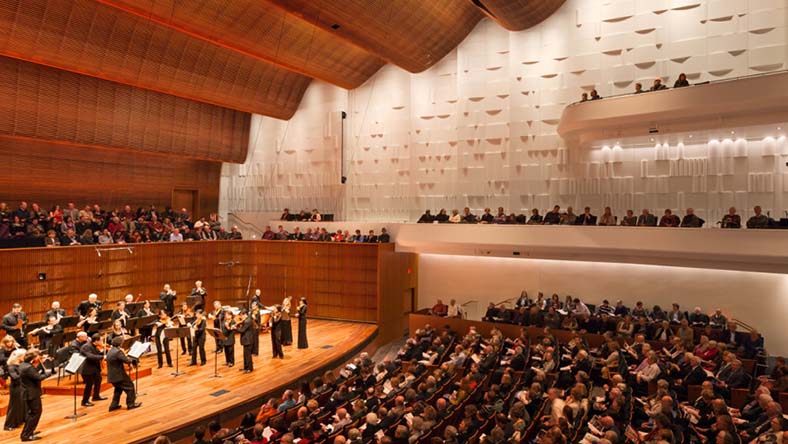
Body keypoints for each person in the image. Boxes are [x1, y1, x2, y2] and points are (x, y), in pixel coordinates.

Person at [19, 349, 49, 442]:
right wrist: (48, 374)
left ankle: (28, 432)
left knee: (31, 413)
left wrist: (38, 364)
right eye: (37, 357)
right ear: (33, 358)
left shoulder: (24, 365)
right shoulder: (28, 367)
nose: (39, 358)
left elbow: (34, 373)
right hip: (31, 393)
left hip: (28, 392)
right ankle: (26, 435)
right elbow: (39, 377)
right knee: (35, 413)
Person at [106, 336, 141, 412]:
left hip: (112, 376)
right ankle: (131, 404)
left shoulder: (111, 350)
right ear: (120, 343)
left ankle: (113, 405)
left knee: (118, 389)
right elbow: (127, 361)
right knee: (130, 387)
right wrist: (133, 357)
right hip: (119, 375)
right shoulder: (118, 352)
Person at [80, 333, 107, 407]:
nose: (102, 342)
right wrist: (102, 357)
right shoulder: (86, 347)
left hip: (94, 368)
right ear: (96, 341)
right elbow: (90, 356)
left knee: (98, 380)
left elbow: (97, 353)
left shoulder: (94, 346)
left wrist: (102, 351)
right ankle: (84, 401)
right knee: (89, 385)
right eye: (101, 340)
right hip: (87, 369)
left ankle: (96, 396)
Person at [4, 349, 26, 431]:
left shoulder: (20, 365)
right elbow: (15, 378)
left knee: (22, 404)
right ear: (19, 357)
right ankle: (8, 425)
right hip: (16, 388)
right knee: (14, 406)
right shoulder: (11, 367)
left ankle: (19, 421)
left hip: (21, 387)